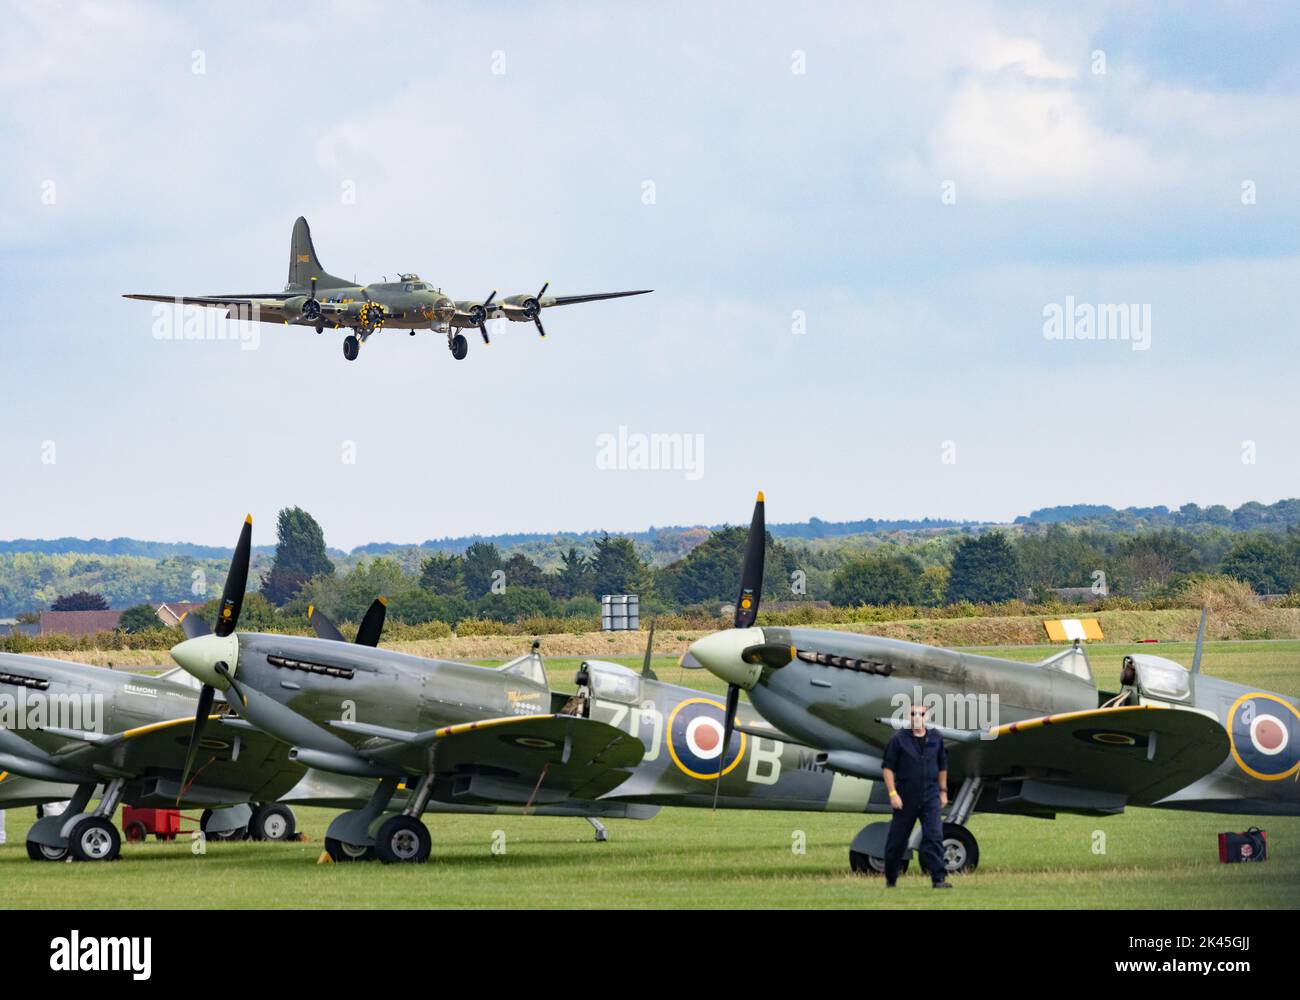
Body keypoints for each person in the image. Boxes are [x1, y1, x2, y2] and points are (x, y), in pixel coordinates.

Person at [881, 701, 951, 889]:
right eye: (913, 714)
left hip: (930, 797)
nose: (917, 717)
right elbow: (888, 768)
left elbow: (942, 766)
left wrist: (943, 792)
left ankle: (939, 879)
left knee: (934, 836)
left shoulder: (936, 738)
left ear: (927, 717)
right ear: (908, 717)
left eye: (921, 714)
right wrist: (893, 794)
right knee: (897, 840)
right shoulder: (898, 739)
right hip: (905, 797)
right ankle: (891, 880)